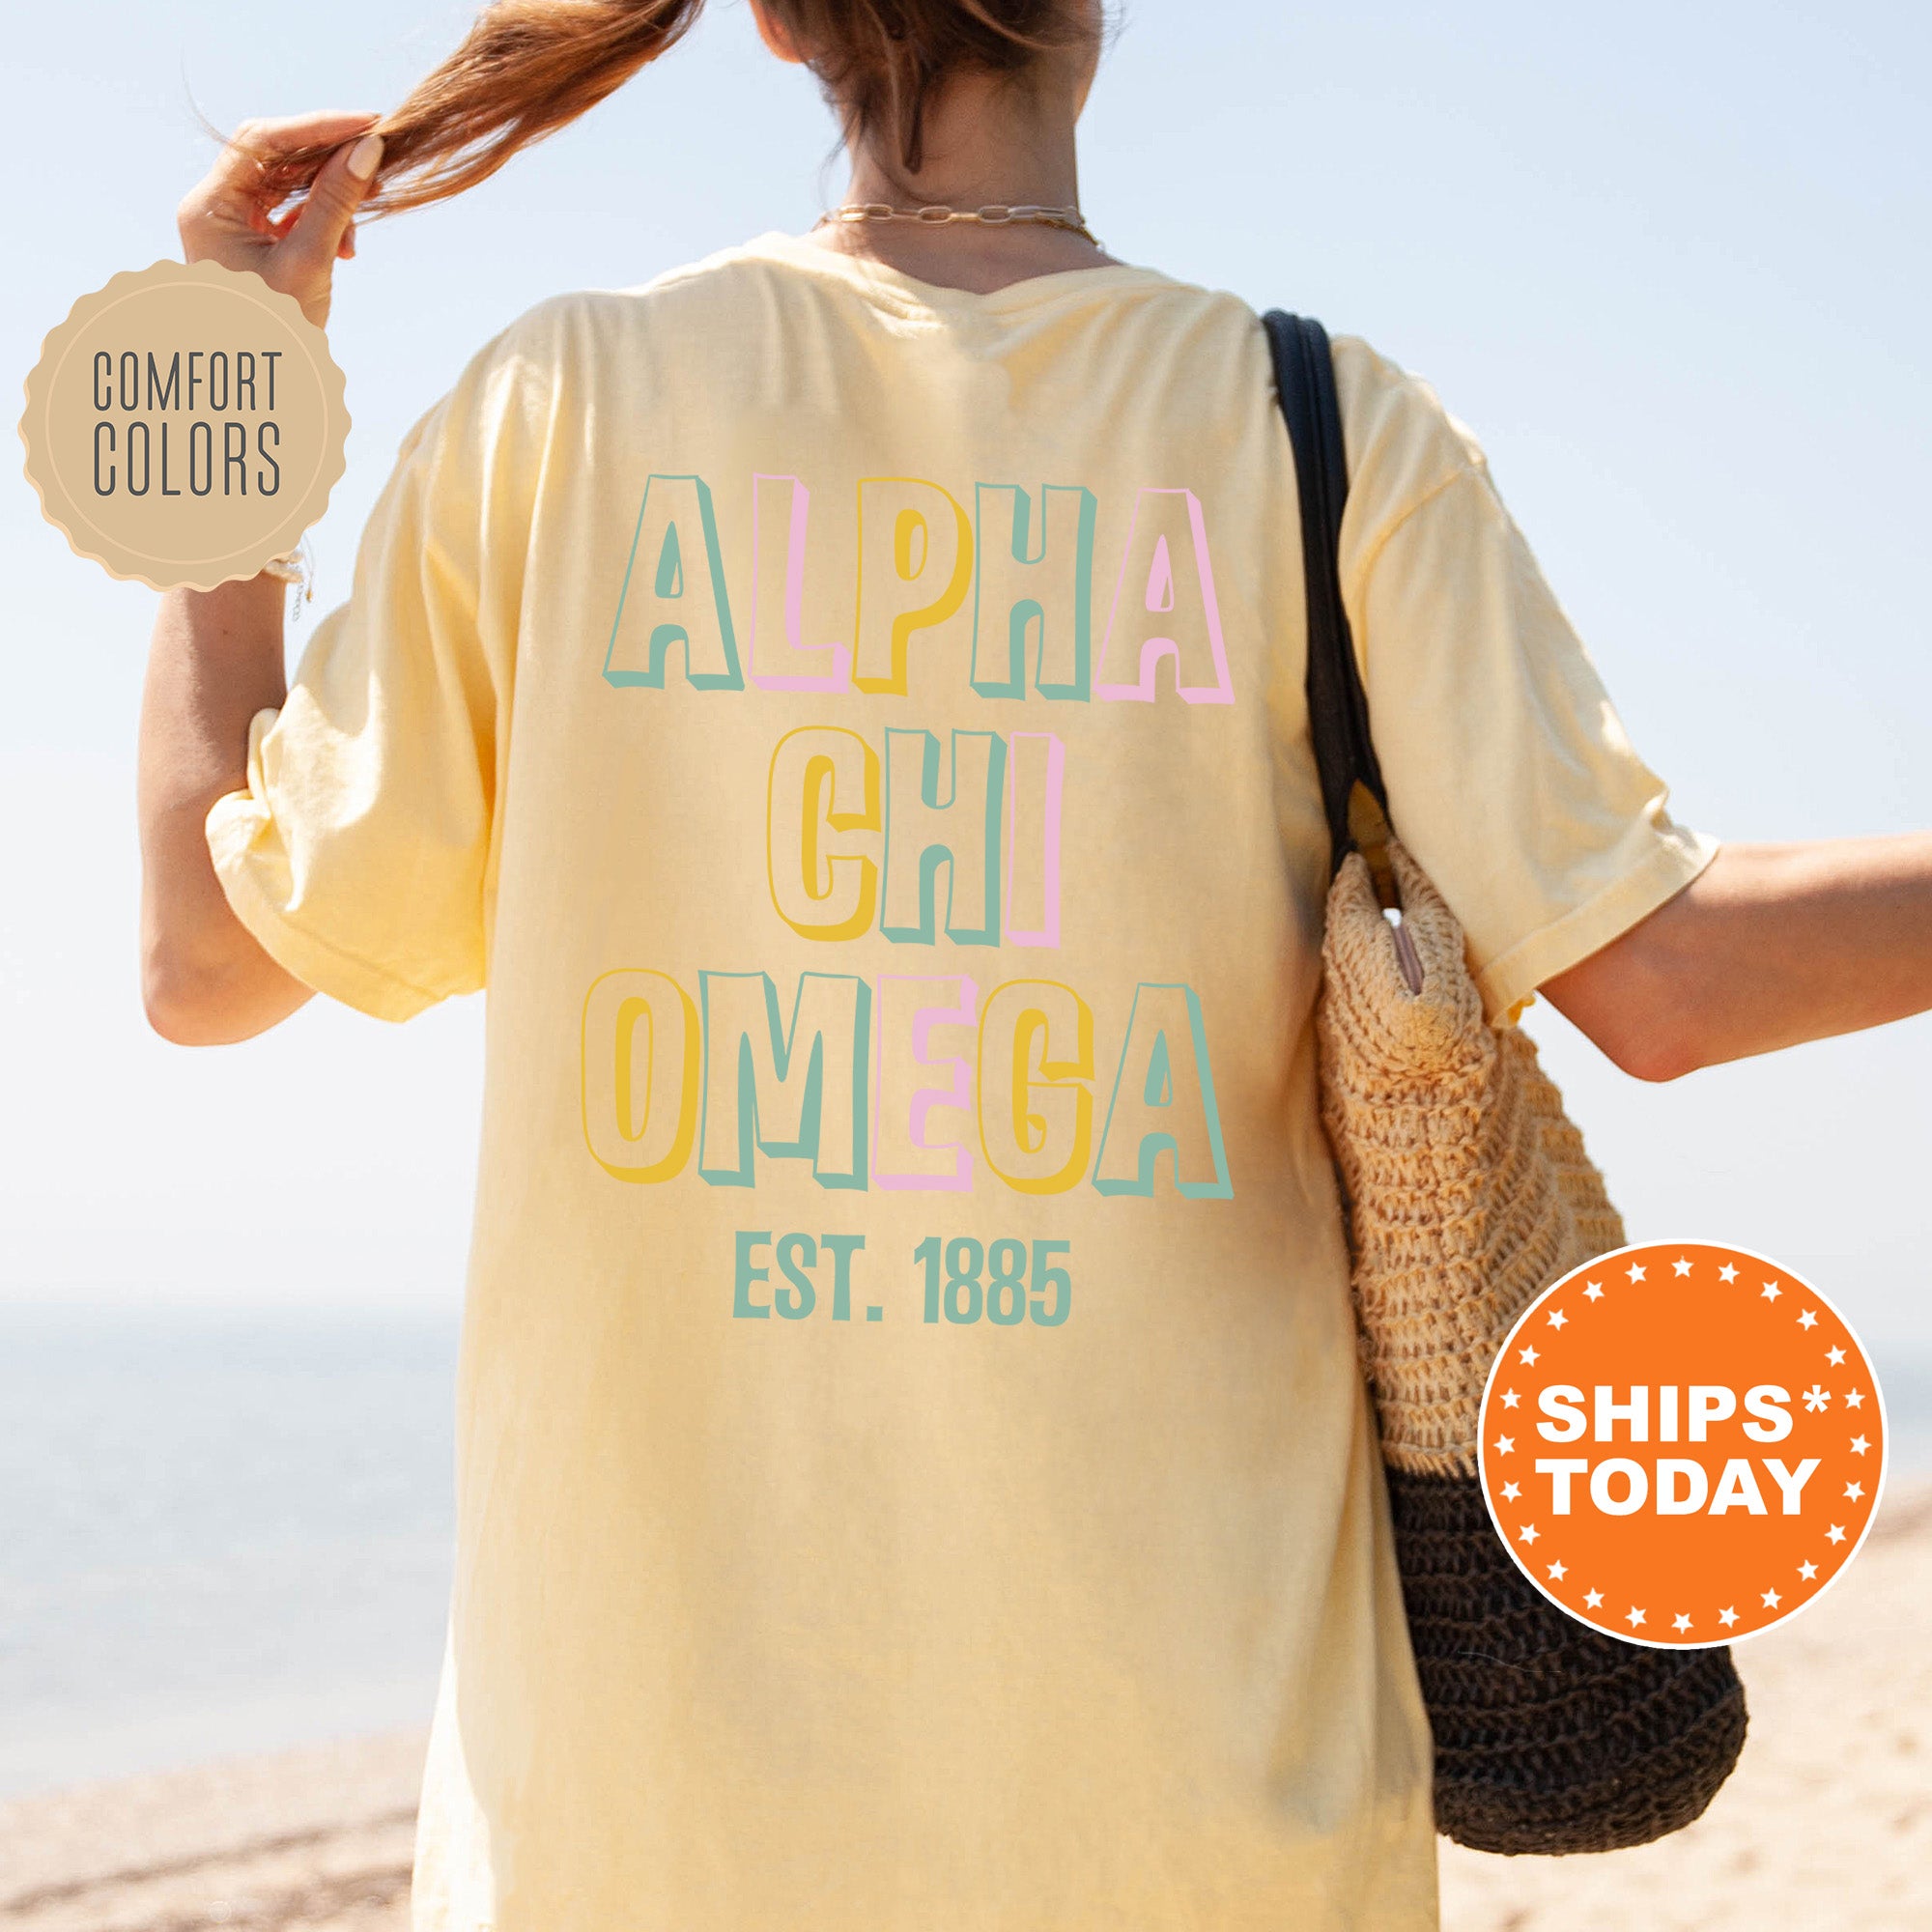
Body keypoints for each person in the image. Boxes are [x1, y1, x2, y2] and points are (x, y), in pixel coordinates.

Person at [138, 3, 1932, 1927]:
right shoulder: (1317, 429)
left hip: (636, 1825)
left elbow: (205, 963)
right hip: (1205, 1811)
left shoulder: (561, 403)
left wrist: (232, 383)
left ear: (767, 22)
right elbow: (1661, 982)